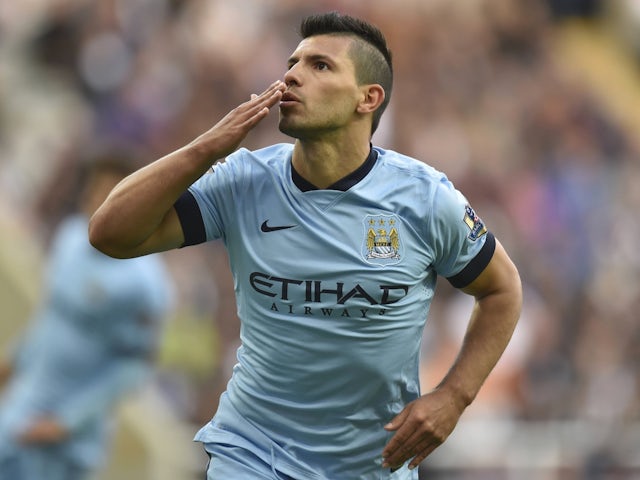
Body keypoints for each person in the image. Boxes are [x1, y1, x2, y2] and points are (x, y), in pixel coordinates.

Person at [88, 11, 522, 480]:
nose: (291, 74)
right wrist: (206, 149)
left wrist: (454, 397)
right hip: (252, 452)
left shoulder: (425, 198)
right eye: (293, 62)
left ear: (367, 99)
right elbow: (110, 234)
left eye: (320, 66)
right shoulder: (243, 182)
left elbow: (502, 291)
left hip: (373, 464)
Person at [0, 151, 174, 480]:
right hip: (21, 410)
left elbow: (133, 368)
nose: (97, 201)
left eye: (109, 194)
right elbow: (51, 316)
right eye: (94, 190)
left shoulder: (146, 284)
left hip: (62, 444)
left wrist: (64, 423)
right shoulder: (71, 237)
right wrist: (13, 360)